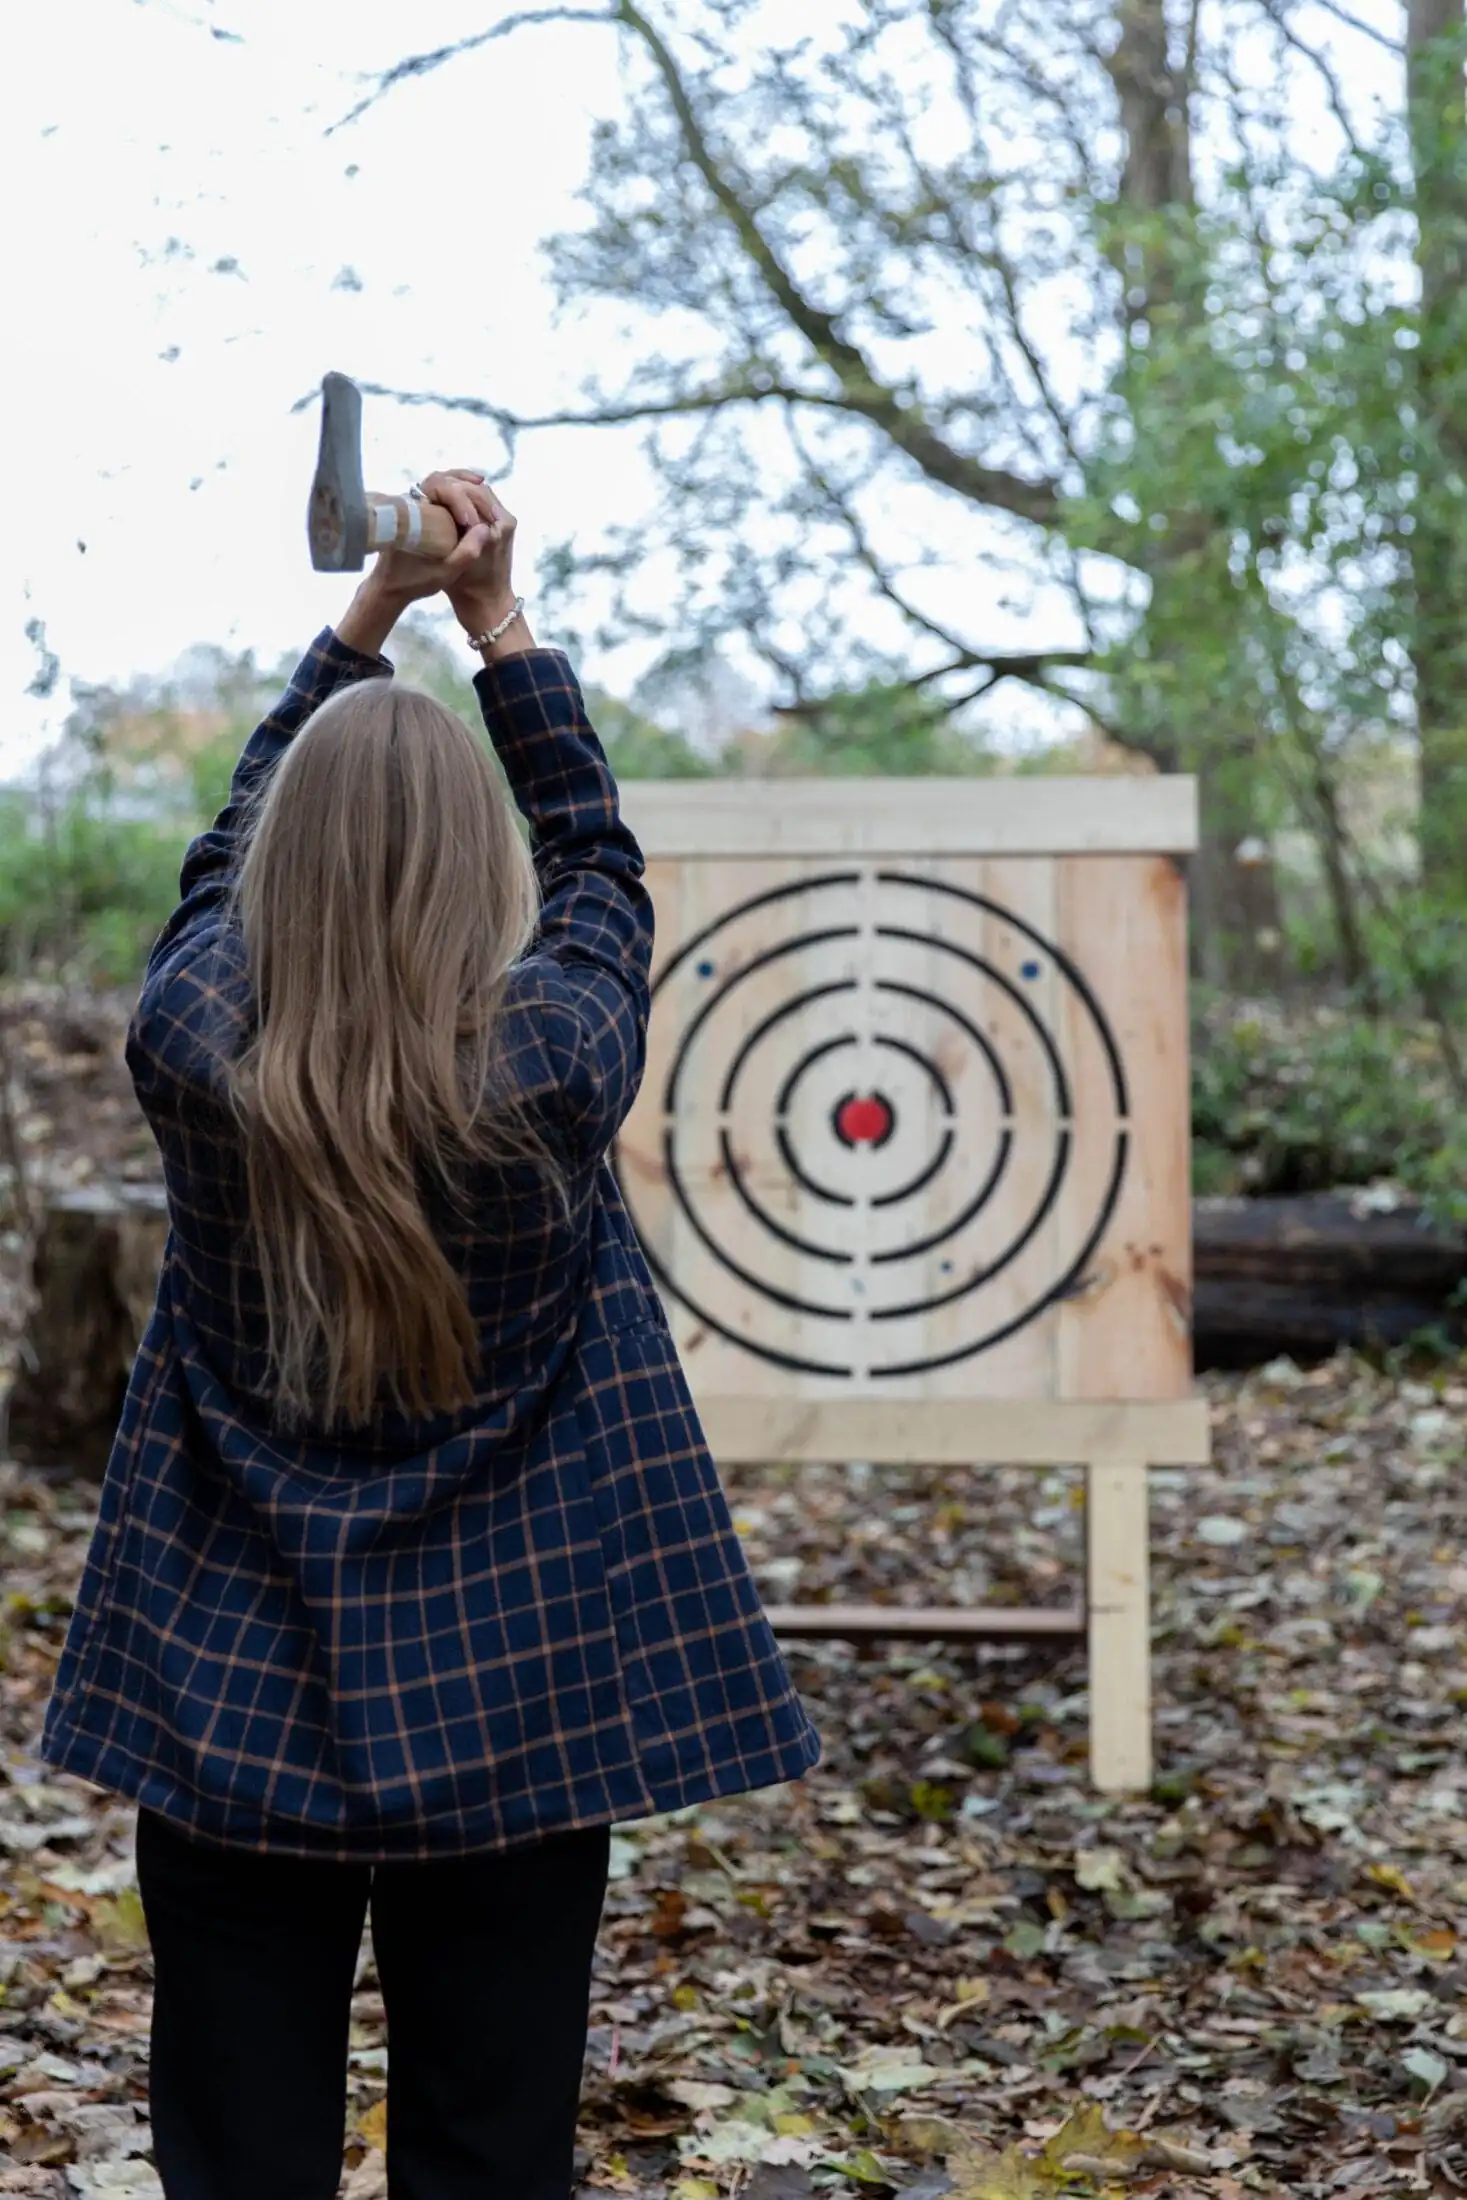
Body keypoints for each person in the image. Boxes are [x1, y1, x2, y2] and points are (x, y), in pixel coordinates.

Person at [40, 469, 820, 2200]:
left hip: (232, 1709)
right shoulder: (545, 1069)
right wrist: (494, 629)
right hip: (519, 1705)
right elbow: (602, 864)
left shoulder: (192, 1048)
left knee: (237, 2157)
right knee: (491, 2147)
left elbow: (215, 865)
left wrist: (364, 621)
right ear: (482, 869)